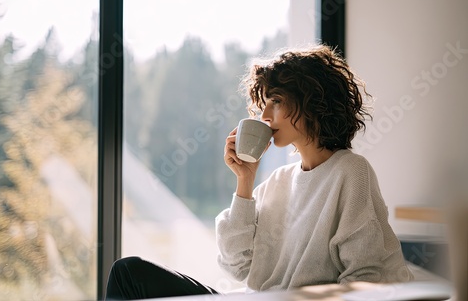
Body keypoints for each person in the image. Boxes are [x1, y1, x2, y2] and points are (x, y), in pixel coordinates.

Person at [104, 44, 413, 300]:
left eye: (276, 101)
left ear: (313, 102)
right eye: (264, 103)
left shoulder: (350, 171)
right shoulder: (278, 181)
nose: (264, 115)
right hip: (252, 296)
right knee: (129, 273)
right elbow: (235, 266)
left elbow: (366, 278)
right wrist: (244, 182)